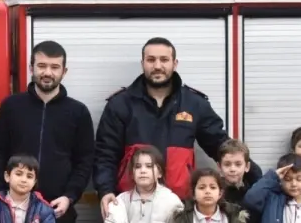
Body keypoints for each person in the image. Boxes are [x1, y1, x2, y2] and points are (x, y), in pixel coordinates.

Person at [0, 40, 95, 223]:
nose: (47, 72)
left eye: (55, 67)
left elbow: (85, 161)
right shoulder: (12, 106)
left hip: (58, 210)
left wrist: (69, 197)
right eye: (42, 65)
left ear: (64, 71)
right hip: (13, 208)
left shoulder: (78, 112)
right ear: (31, 67)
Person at [94, 37, 236, 208]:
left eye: (164, 60)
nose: (157, 66)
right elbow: (105, 154)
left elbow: (221, 145)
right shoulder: (120, 104)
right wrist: (105, 190)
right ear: (142, 63)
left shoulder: (194, 104)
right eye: (151, 60)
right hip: (131, 204)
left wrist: (254, 174)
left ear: (175, 63)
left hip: (181, 205)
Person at [216, 139, 262, 215]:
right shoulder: (215, 195)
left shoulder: (254, 194)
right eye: (227, 164)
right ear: (219, 167)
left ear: (247, 166)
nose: (233, 169)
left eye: (238, 164)